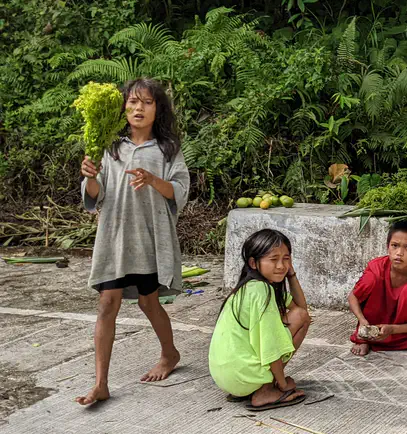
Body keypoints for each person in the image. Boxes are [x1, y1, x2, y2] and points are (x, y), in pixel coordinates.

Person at [76, 78, 190, 406]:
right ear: (123, 107)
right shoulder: (111, 147)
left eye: (147, 103)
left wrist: (155, 180)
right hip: (114, 237)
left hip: (149, 240)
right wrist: (90, 177)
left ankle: (170, 354)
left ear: (158, 109)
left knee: (148, 303)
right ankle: (100, 383)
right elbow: (96, 197)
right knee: (107, 303)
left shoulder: (167, 149)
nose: (138, 108)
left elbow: (179, 191)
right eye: (132, 102)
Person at [208, 229, 311, 411]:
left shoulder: (250, 286)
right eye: (273, 259)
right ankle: (265, 390)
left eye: (286, 259)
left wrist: (291, 274)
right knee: (298, 320)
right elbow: (270, 345)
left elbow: (300, 307)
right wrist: (281, 384)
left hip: (227, 377)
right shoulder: (262, 292)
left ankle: (256, 386)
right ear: (254, 263)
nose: (281, 265)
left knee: (300, 316)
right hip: (244, 376)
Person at [349, 219, 407, 356]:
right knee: (373, 280)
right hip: (372, 328)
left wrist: (393, 329)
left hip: (403, 331)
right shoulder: (376, 268)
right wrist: (362, 321)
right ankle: (365, 338)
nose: (399, 253)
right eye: (395, 245)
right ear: (387, 246)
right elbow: (352, 296)